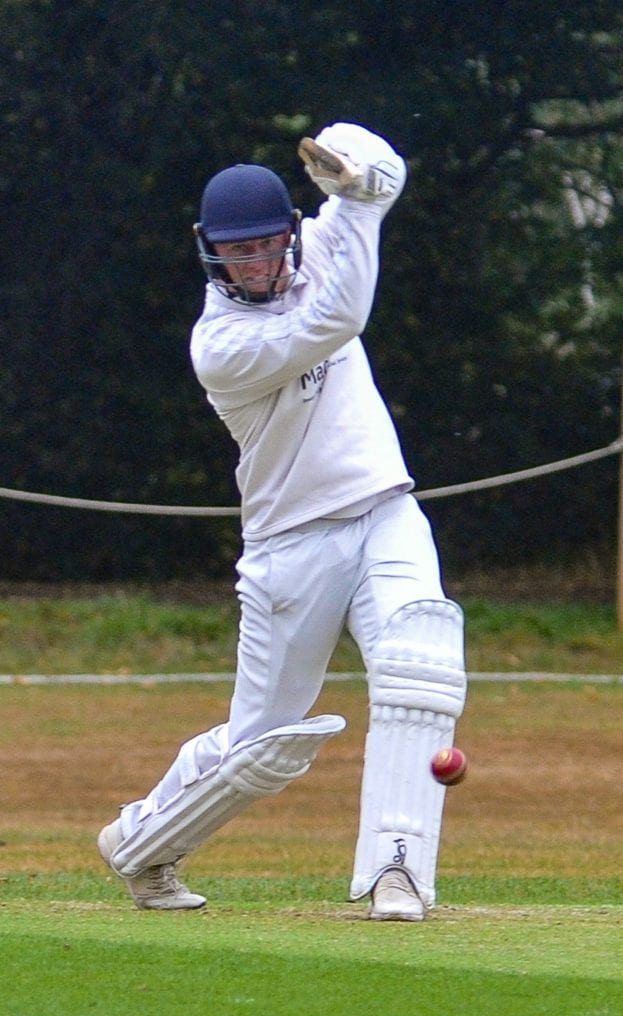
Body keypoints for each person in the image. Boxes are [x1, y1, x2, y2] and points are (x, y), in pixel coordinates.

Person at [98, 122, 467, 920]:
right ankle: (140, 845)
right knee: (262, 747)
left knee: (419, 662)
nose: (258, 265)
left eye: (269, 245)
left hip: (383, 510)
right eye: (240, 253)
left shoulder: (319, 244)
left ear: (289, 236)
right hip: (290, 546)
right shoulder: (221, 344)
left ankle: (395, 870)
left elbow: (383, 169)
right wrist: (361, 209)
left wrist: (353, 166)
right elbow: (339, 320)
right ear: (213, 254)